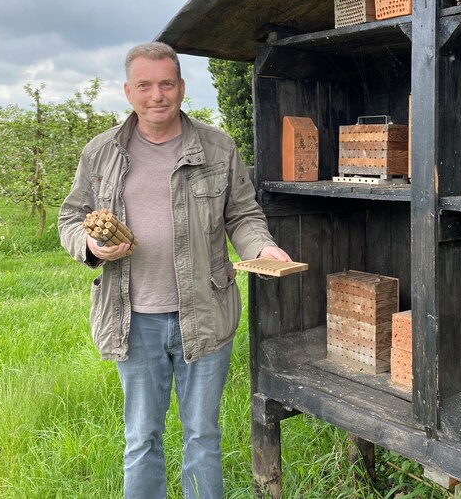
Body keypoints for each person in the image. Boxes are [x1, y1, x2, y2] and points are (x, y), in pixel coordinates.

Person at [58, 41, 290, 499]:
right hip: (133, 318)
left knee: (202, 435)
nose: (157, 95)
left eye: (167, 83)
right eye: (145, 85)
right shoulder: (100, 153)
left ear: (182, 87)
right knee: (141, 436)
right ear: (128, 91)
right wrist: (88, 244)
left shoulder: (218, 148)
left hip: (203, 315)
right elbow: (70, 217)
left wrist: (262, 247)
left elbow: (242, 215)